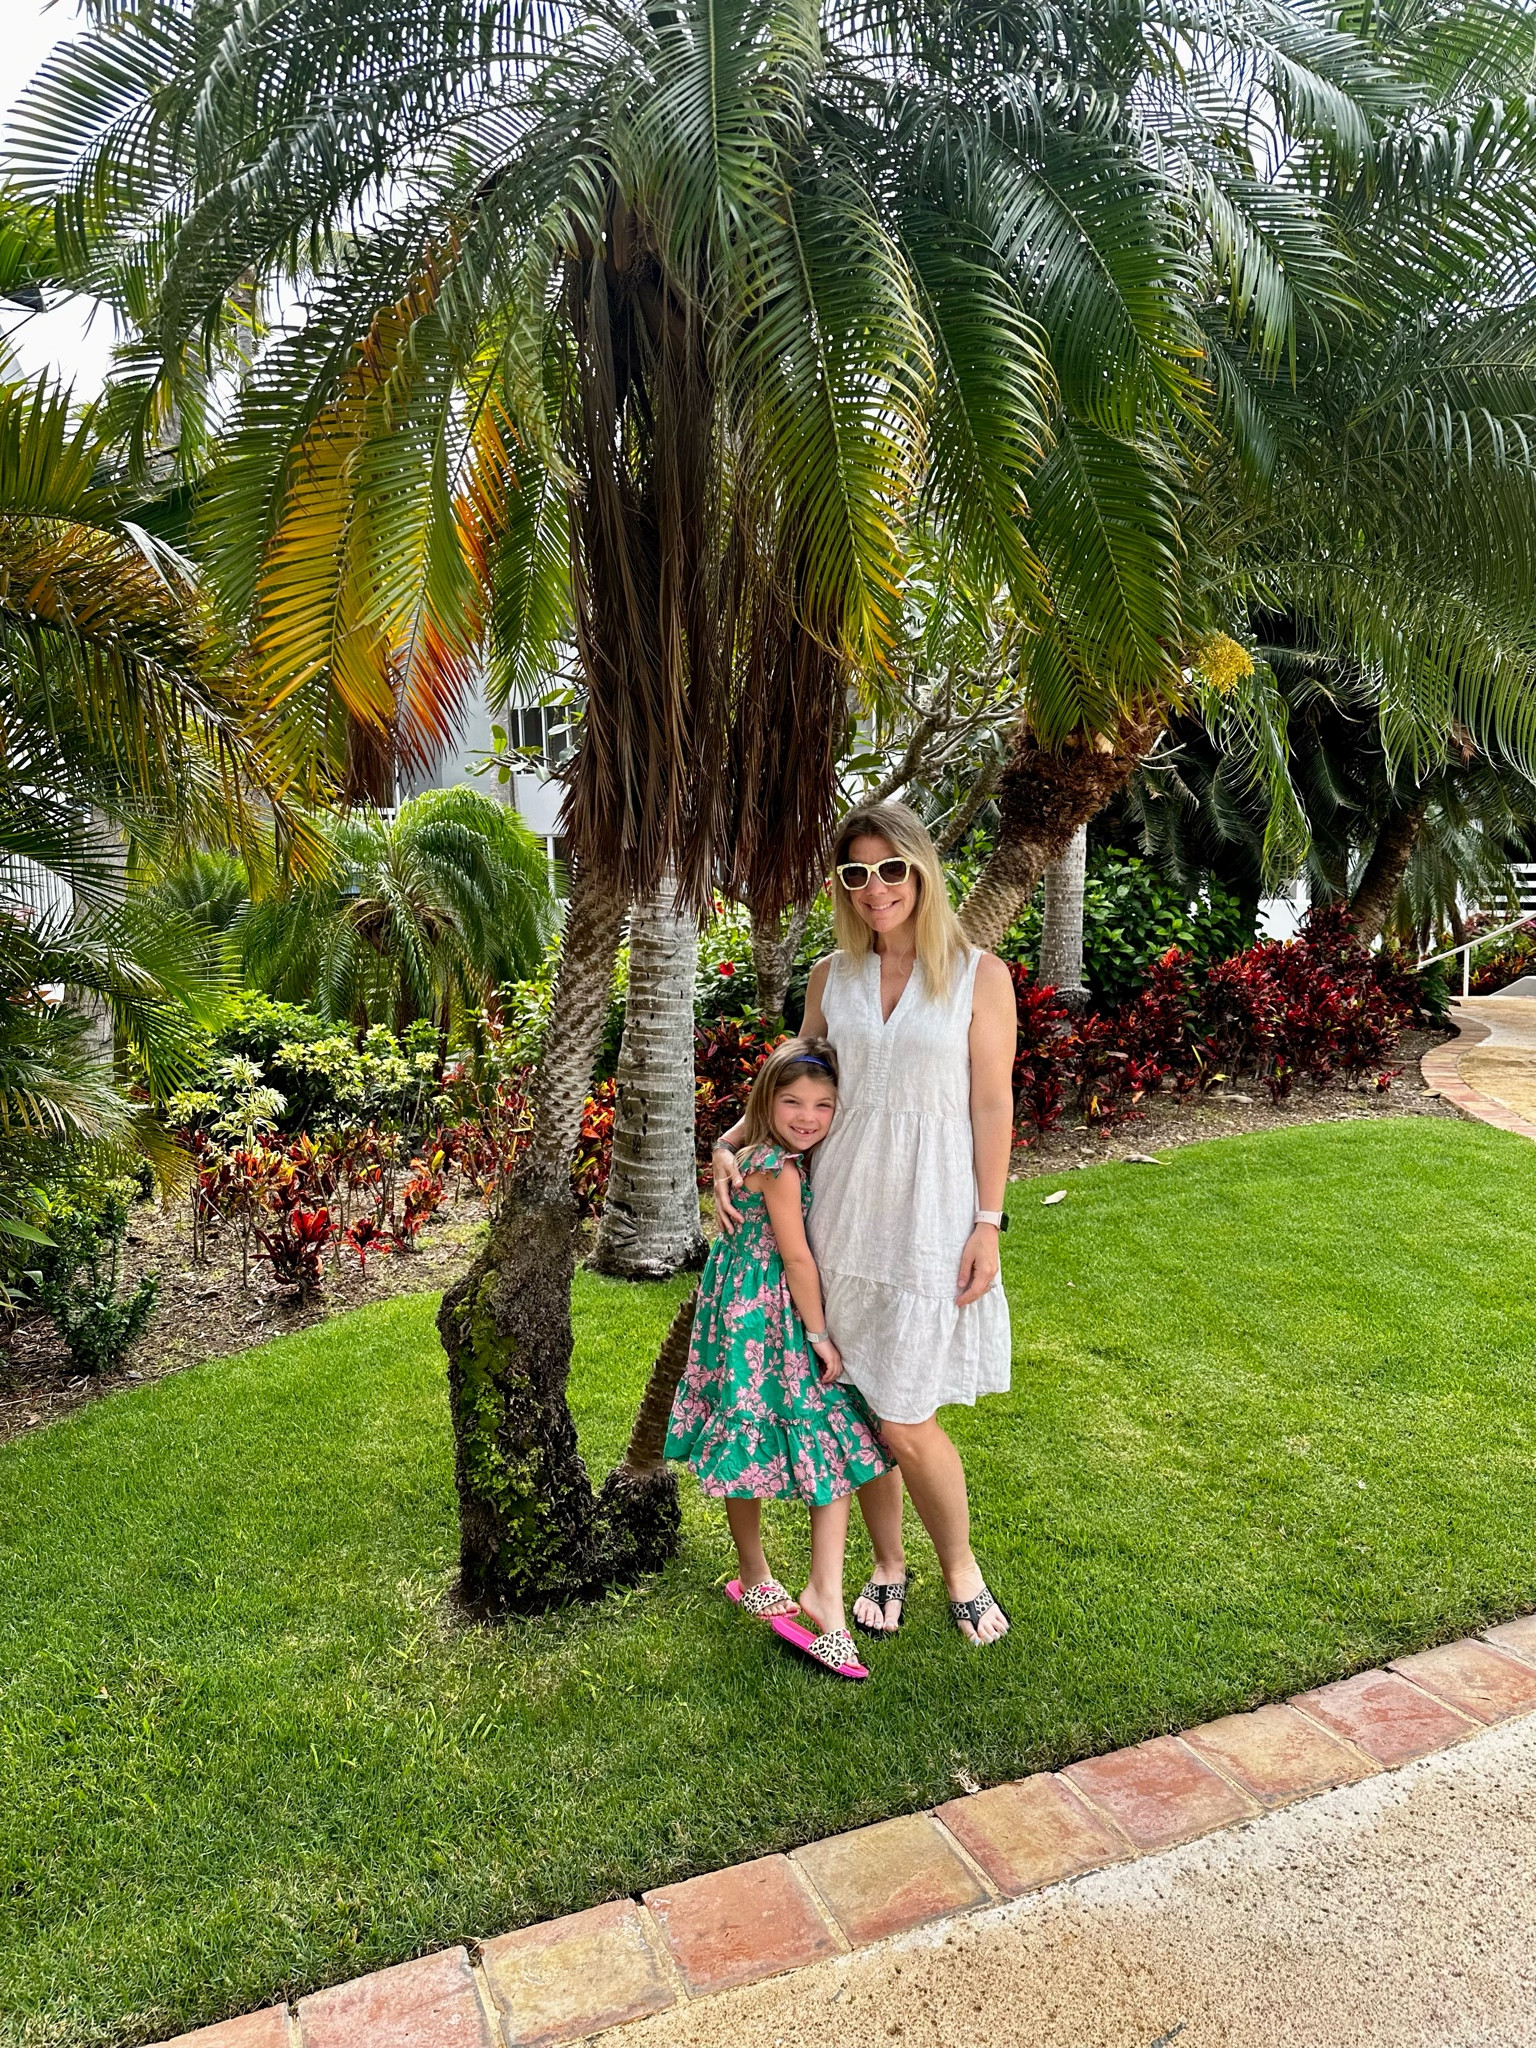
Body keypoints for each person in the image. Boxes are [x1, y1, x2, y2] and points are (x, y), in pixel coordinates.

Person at [713, 802, 1016, 1646]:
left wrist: (988, 1221)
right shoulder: (829, 977)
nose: (876, 887)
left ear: (920, 870)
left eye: (891, 869)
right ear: (841, 888)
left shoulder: (978, 975)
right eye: (856, 873)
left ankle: (960, 1567)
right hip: (836, 1218)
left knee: (907, 1418)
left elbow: (992, 1105)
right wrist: (728, 1144)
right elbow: (790, 1081)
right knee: (854, 1407)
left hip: (927, 1216)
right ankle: (888, 1565)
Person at [665, 1036, 893, 1680]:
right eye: (792, 1101)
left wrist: (721, 1148)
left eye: (824, 1104)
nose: (808, 1116)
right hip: (769, 1320)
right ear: (766, 1102)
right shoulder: (782, 1168)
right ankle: (815, 1597)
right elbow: (795, 1258)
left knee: (762, 1426)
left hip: (737, 1312)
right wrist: (820, 1336)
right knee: (829, 1434)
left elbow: (731, 1151)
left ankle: (761, 1573)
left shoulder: (761, 1155)